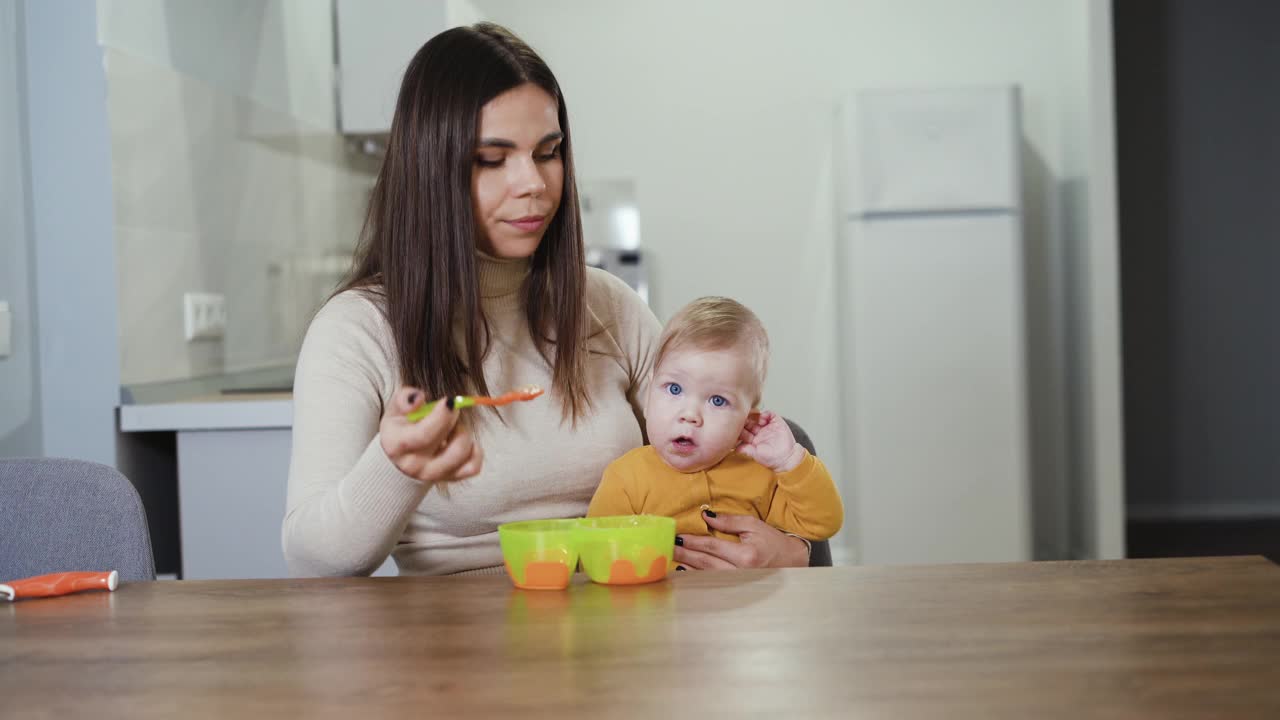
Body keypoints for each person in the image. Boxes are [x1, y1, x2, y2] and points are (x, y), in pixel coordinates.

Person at [282, 23, 811, 577]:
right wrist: (397, 467)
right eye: (492, 158)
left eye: (549, 152)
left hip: (635, 627)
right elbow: (312, 560)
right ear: (429, 168)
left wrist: (791, 550)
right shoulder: (357, 331)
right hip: (459, 646)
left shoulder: (606, 305)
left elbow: (724, 442)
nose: (533, 183)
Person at [588, 297, 843, 567]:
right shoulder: (626, 478)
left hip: (753, 607)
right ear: (649, 395)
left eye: (717, 401)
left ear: (747, 419)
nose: (690, 415)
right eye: (674, 389)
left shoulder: (763, 475)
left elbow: (822, 523)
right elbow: (596, 558)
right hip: (661, 607)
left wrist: (790, 460)